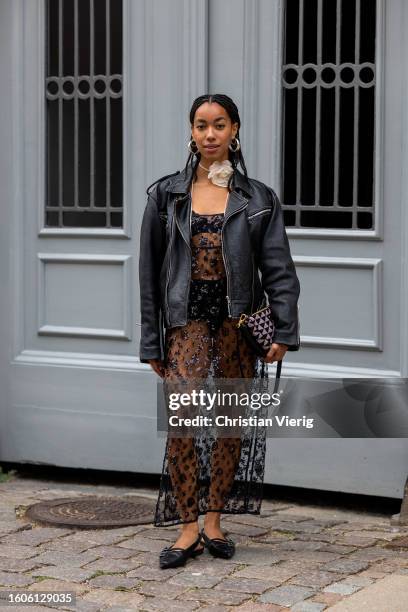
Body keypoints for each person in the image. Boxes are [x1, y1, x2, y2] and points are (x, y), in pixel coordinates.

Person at [139, 93, 300, 569]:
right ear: (191, 131)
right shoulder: (165, 195)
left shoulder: (257, 198)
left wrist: (284, 331)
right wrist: (152, 339)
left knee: (229, 421)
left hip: (236, 324)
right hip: (184, 324)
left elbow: (279, 270)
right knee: (183, 419)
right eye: (201, 125)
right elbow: (149, 274)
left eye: (220, 124)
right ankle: (187, 526)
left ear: (234, 130)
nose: (210, 134)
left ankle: (214, 519)